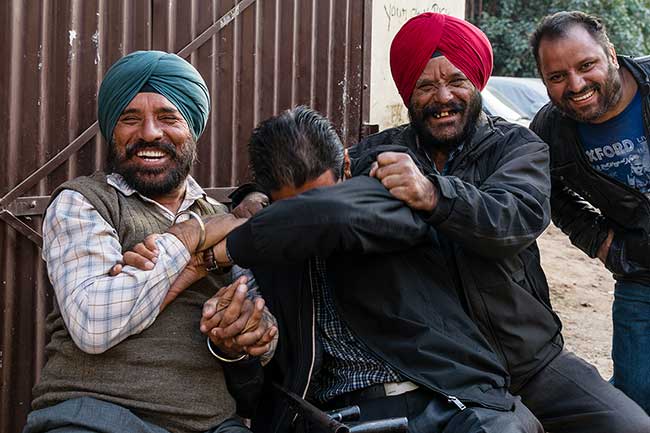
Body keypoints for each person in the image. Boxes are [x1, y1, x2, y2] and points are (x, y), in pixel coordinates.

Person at [349, 12, 650, 433]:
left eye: (456, 80)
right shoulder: (374, 155)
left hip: (530, 360)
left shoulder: (519, 146)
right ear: (407, 93)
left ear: (477, 83)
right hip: (436, 373)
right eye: (425, 86)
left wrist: (432, 194)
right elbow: (299, 178)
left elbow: (513, 219)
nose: (443, 97)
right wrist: (250, 199)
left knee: (630, 425)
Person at [194, 106, 543, 433]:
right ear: (269, 200)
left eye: (317, 199)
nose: (308, 225)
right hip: (340, 419)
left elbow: (332, 214)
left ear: (347, 166)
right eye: (290, 209)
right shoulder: (264, 260)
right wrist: (236, 351)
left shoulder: (388, 195)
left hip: (447, 401)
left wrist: (226, 245)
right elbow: (255, 393)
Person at [24, 50, 275, 433]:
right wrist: (188, 238)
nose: (150, 133)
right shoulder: (83, 202)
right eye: (130, 119)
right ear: (113, 131)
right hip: (93, 417)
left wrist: (242, 335)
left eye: (167, 117)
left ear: (192, 128)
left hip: (209, 423)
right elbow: (94, 324)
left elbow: (264, 337)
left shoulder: (223, 218)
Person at [529, 10, 650, 413]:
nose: (576, 85)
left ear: (611, 55)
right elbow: (551, 197)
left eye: (586, 65)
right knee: (634, 405)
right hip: (641, 277)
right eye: (557, 76)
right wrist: (604, 244)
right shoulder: (549, 132)